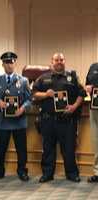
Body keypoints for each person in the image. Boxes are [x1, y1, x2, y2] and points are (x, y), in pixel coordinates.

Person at [33, 53, 86, 183]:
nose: (59, 62)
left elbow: (82, 93)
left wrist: (74, 106)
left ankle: (72, 174)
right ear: (52, 62)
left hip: (67, 120)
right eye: (56, 60)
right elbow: (34, 94)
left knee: (68, 149)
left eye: (61, 60)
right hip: (48, 120)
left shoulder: (72, 77)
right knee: (48, 148)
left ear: (64, 61)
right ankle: (47, 174)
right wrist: (46, 94)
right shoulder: (43, 78)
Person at [0, 52, 32, 182]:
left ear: (15, 63)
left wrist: (23, 108)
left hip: (19, 120)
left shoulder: (23, 81)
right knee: (0, 149)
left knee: (21, 149)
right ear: (3, 64)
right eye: (7, 62)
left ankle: (22, 170)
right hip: (2, 121)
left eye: (11, 62)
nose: (9, 65)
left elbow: (29, 100)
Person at [85, 62, 98, 182]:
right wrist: (88, 88)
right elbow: (87, 85)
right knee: (96, 141)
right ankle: (97, 172)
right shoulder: (93, 66)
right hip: (94, 108)